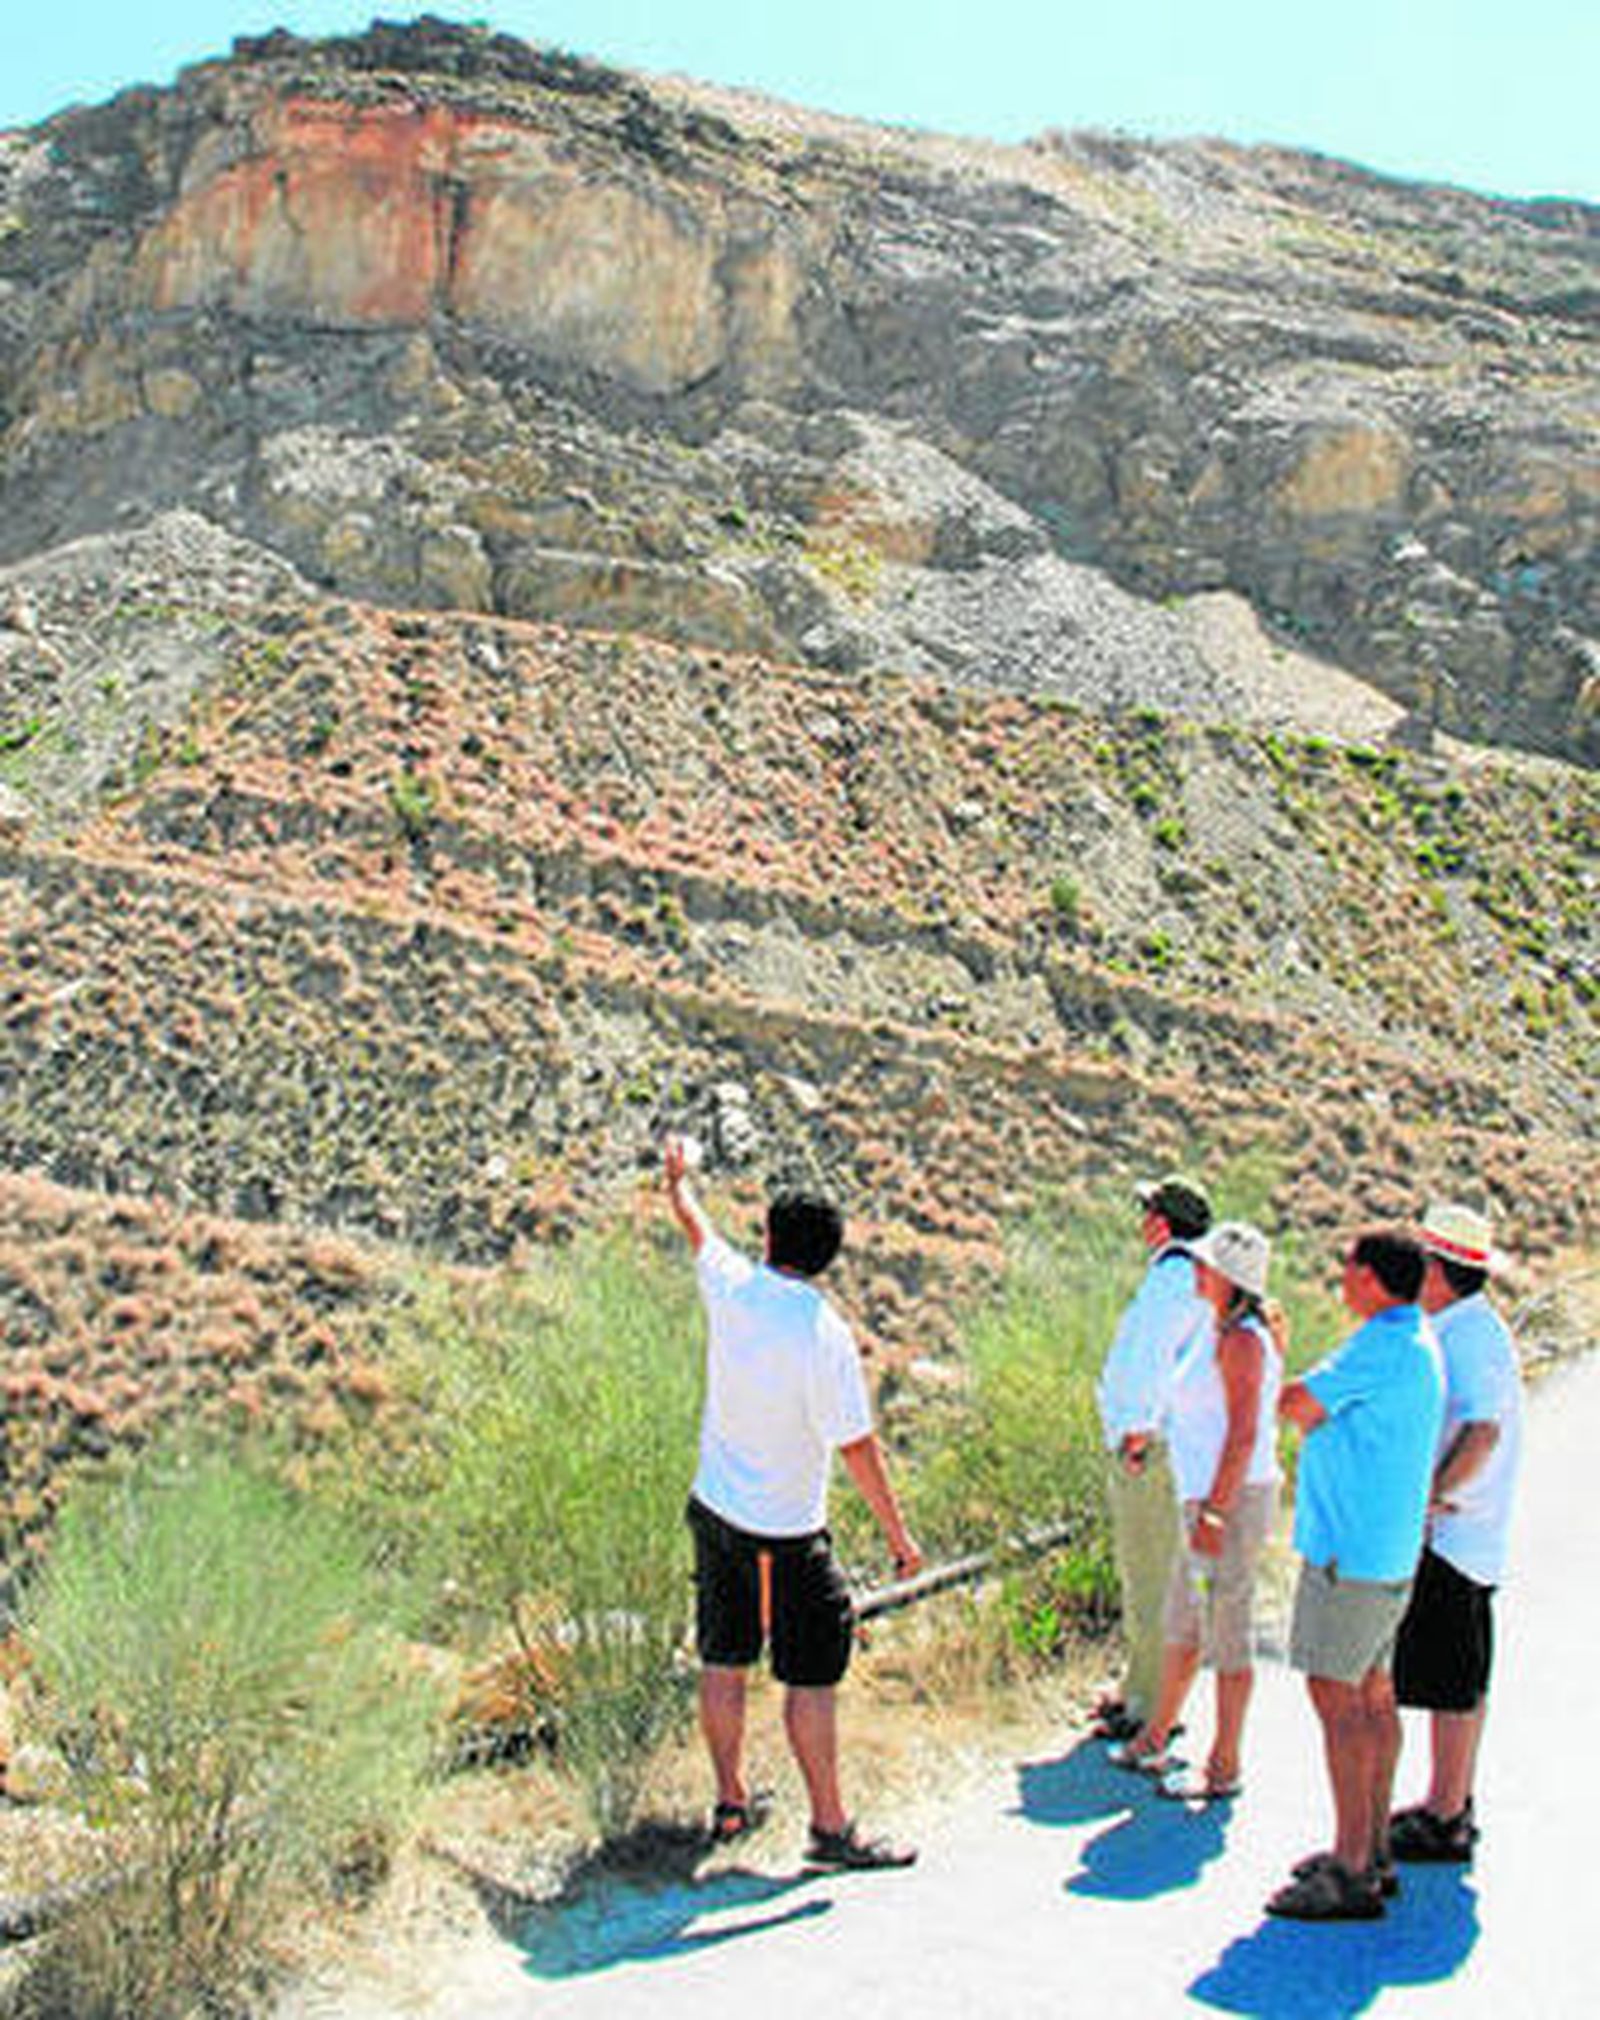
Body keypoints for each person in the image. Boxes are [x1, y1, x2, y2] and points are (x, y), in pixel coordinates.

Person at [663, 1135, 923, 1869]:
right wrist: (899, 1536)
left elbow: (694, 1223)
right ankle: (830, 1828)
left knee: (724, 1656)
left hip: (716, 1508)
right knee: (809, 1677)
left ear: (770, 1238)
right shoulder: (825, 1336)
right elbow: (857, 1447)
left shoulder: (731, 1284)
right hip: (788, 1529)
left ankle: (729, 1800)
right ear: (828, 1256)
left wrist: (678, 1176)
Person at [1268, 1228, 1444, 1921]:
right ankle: (1371, 1849)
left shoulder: (1379, 1346)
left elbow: (1299, 1405)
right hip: (1388, 1549)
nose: (1340, 1278)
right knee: (1374, 1697)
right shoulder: (1415, 1340)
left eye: (1348, 1268)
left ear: (1371, 1279)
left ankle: (1348, 1870)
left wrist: (1280, 1356)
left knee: (1338, 1701)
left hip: (1351, 1554)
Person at [1109, 1221, 1281, 1801]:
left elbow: (1243, 1433)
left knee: (1227, 1631)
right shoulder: (1217, 1330)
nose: (1196, 1273)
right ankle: (1156, 1736)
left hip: (1227, 1500)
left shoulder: (1240, 1341)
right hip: (1206, 1497)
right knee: (1183, 1622)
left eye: (1206, 1267)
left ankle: (1224, 1764)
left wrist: (1215, 1512)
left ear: (1229, 1279)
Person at [1388, 1201, 1523, 1861]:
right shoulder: (1468, 1328)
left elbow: (1482, 1433)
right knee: (1459, 1678)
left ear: (1439, 1269)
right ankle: (1450, 1800)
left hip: (1454, 1538)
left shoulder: (1469, 1338)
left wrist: (1428, 1499)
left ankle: (1444, 1815)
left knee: (1451, 1679)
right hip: (1463, 1537)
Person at [1091, 1173, 1214, 1742]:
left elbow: (1149, 1362)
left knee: (1148, 1572)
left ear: (1162, 1224)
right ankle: (1145, 1687)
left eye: (1147, 1214)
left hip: (1153, 1447)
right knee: (1161, 1571)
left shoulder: (1171, 1281)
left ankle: (1146, 1704)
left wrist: (1136, 1434)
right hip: (1178, 1446)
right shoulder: (1198, 1278)